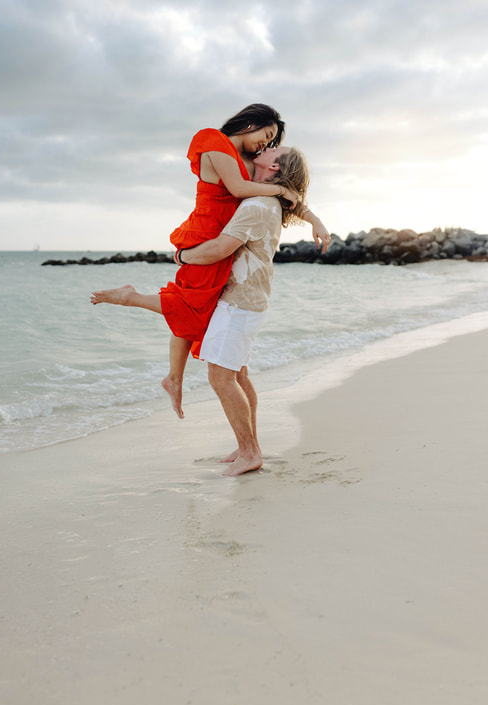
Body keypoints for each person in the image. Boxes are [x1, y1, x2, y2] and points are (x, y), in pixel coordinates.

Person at [92, 105, 330, 419]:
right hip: (207, 237)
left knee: (196, 309)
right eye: (266, 135)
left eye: (272, 142)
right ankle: (132, 302)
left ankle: (173, 378)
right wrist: (280, 190)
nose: (265, 145)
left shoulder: (249, 160)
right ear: (249, 123)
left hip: (225, 241)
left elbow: (284, 191)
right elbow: (239, 189)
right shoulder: (213, 141)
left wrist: (314, 219)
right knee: (191, 304)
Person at [91, 145, 316, 476]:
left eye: (273, 149)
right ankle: (248, 445)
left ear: (275, 167)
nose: (266, 147)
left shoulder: (256, 205)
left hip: (239, 303)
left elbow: (220, 248)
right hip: (248, 300)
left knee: (221, 378)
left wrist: (182, 257)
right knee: (237, 375)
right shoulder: (268, 201)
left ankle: (250, 452)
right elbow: (294, 204)